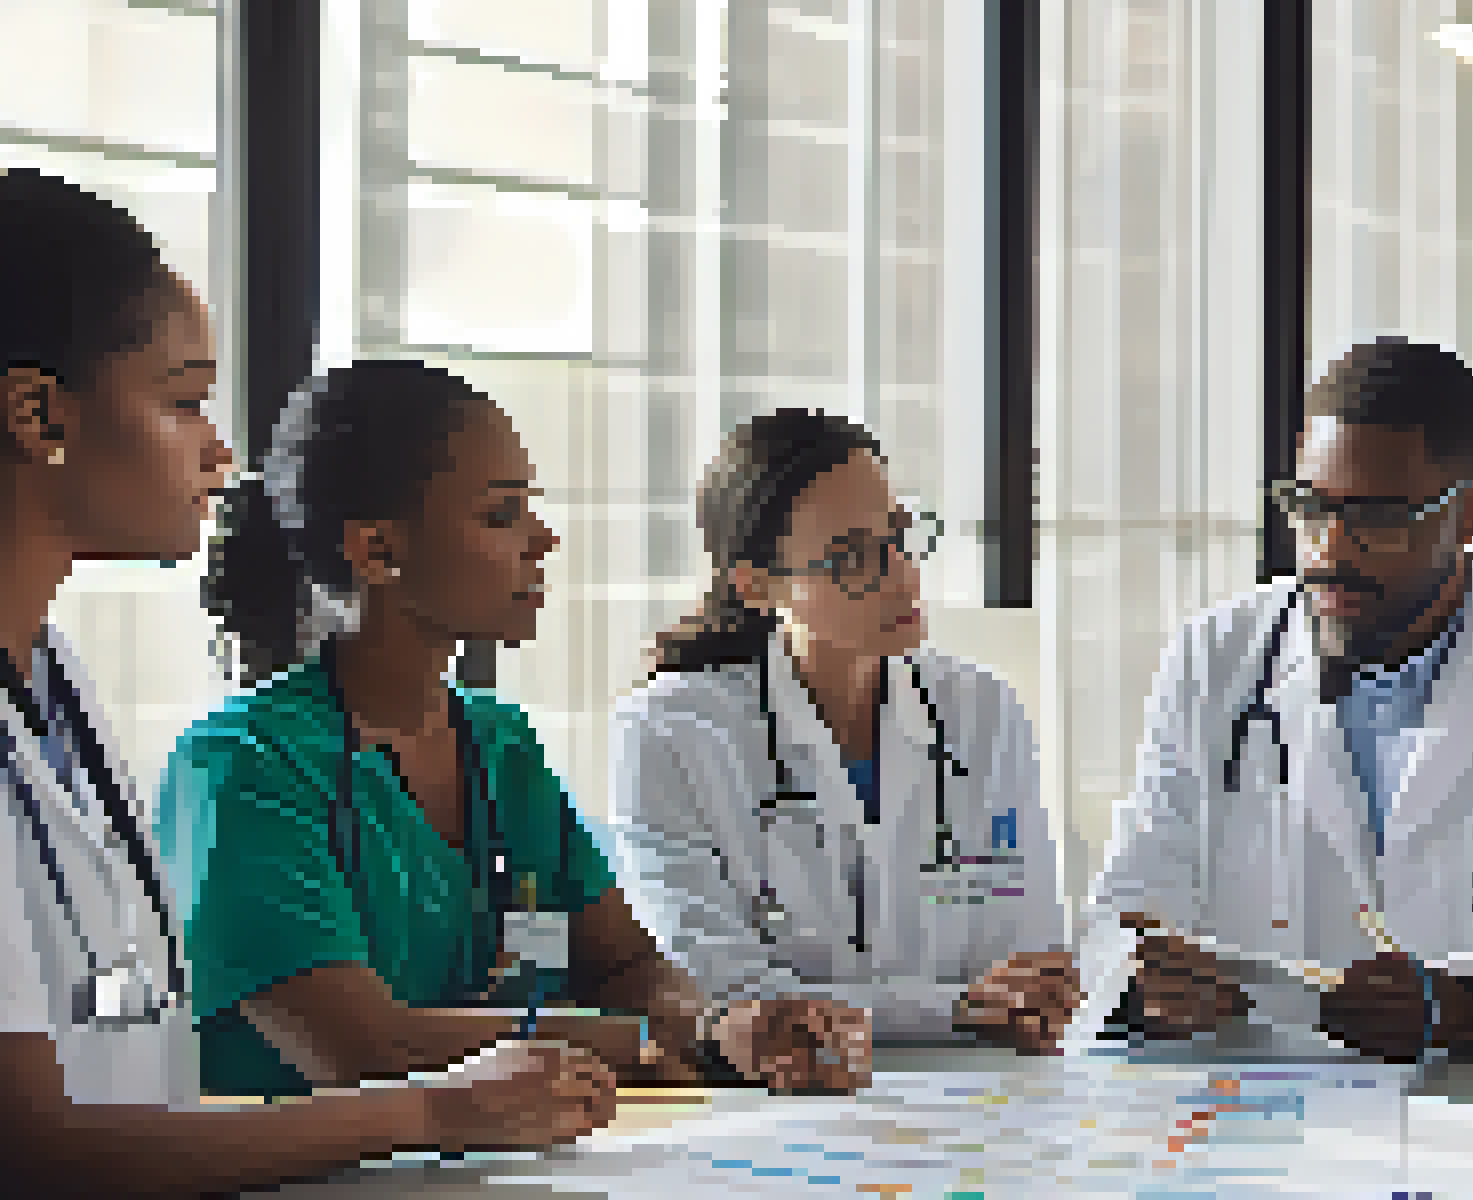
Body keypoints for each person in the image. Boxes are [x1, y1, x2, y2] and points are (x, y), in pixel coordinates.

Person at [0, 167, 617, 1197]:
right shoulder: (243, 758)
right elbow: (31, 1145)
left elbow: (130, 1061)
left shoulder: (55, 688)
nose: (218, 450)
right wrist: (441, 1108)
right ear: (37, 413)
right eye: (183, 400)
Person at [158, 360, 847, 1101]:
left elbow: (625, 968)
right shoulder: (243, 764)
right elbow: (362, 1047)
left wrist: (726, 1023)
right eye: (500, 515)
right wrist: (663, 1039)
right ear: (378, 551)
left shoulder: (499, 743)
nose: (542, 539)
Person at [1081, 336, 1473, 1062]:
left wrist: (1465, 1000)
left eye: (1379, 520)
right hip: (1256, 1108)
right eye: (1309, 507)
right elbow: (1129, 901)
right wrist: (1142, 980)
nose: (1331, 550)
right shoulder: (1216, 655)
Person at [611, 408, 1072, 1058]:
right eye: (852, 558)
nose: (902, 576)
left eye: (901, 537)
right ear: (759, 585)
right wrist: (955, 1006)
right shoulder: (670, 733)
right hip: (782, 1106)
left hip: (978, 1100)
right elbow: (729, 993)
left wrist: (982, 1006)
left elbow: (1031, 970)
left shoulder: (982, 711)